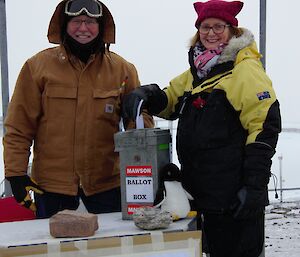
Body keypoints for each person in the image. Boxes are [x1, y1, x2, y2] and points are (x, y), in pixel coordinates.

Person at [122, 0, 281, 256]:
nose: (211, 33)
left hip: (234, 198)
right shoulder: (198, 71)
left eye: (219, 26)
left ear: (232, 30)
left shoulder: (244, 70)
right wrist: (147, 94)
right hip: (202, 196)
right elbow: (170, 101)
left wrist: (254, 187)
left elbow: (264, 128)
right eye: (205, 27)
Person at [4, 0, 153, 219]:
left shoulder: (122, 70)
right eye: (76, 21)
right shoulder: (37, 67)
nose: (83, 28)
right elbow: (19, 126)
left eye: (90, 22)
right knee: (56, 253)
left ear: (101, 27)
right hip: (52, 190)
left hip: (107, 189)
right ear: (63, 24)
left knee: (109, 252)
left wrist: (143, 161)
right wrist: (16, 175)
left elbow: (140, 121)